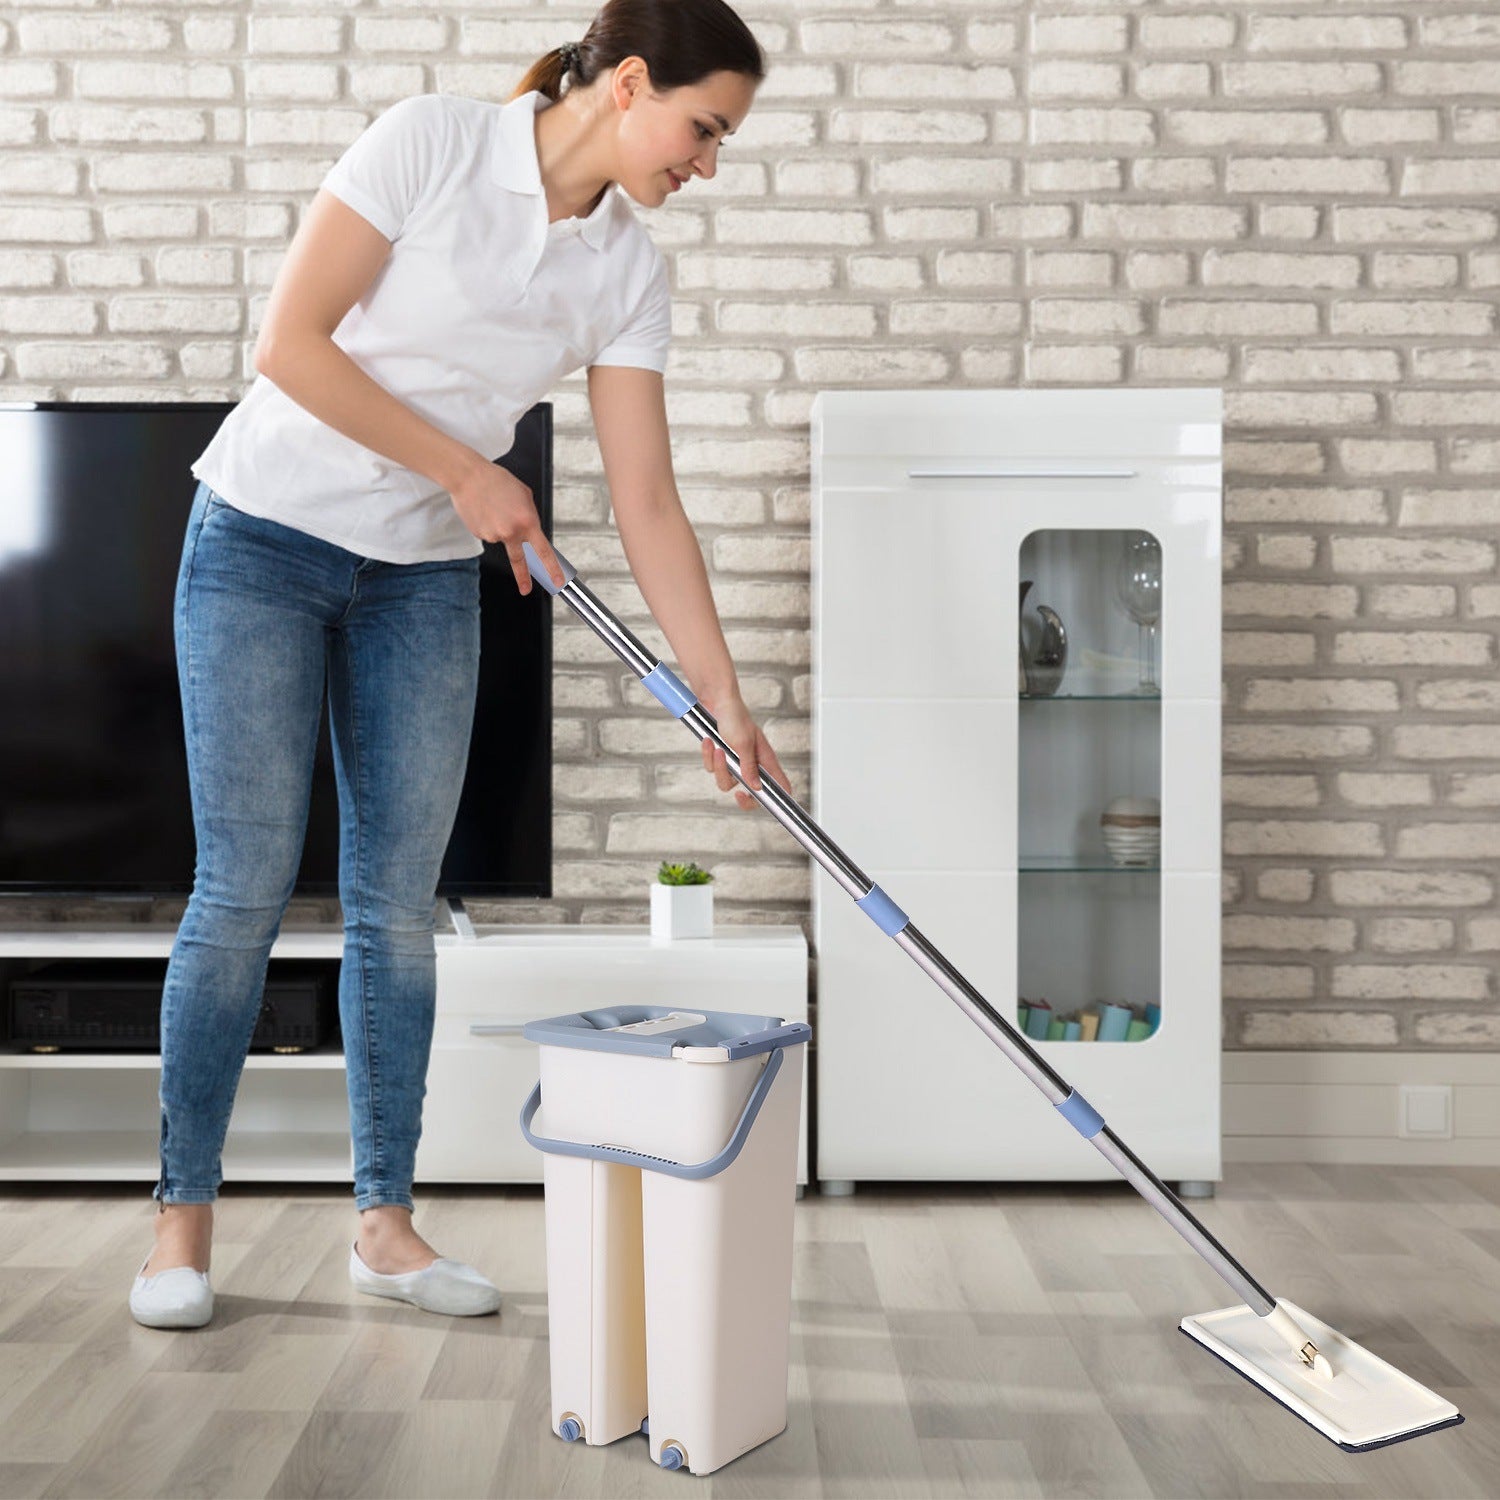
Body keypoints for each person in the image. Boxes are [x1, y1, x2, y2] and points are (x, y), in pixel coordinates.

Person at [130, 0, 789, 1331]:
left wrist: (723, 694)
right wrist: (468, 471)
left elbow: (649, 498)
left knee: (394, 907)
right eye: (705, 130)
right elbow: (289, 345)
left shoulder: (627, 270)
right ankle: (179, 1224)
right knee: (244, 886)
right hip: (259, 538)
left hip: (419, 583)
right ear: (633, 84)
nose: (706, 164)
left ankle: (383, 1225)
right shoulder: (430, 144)